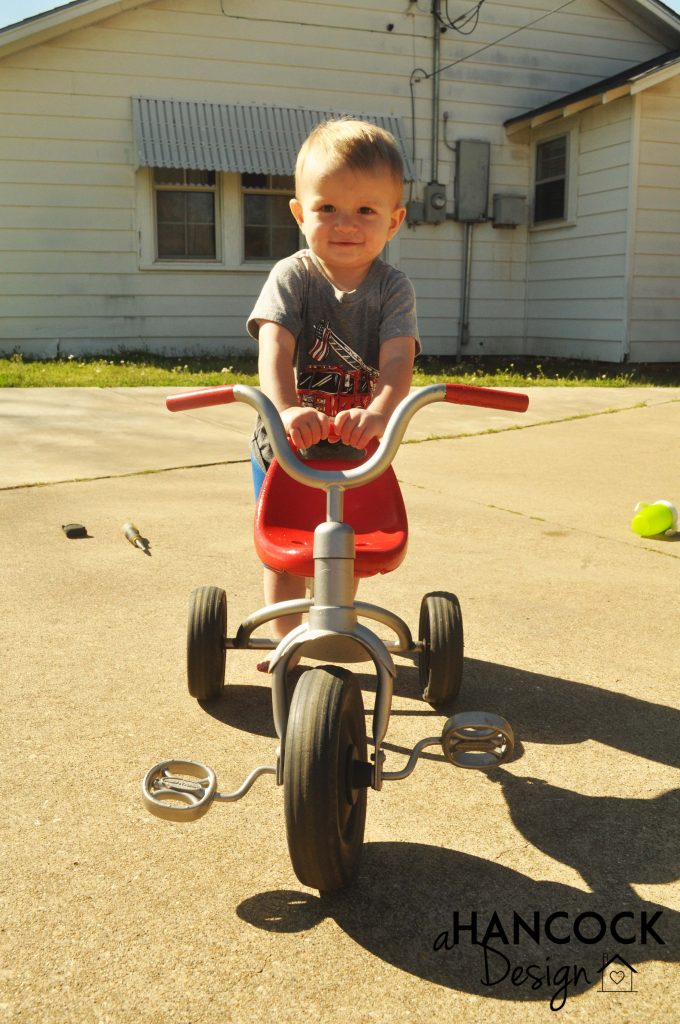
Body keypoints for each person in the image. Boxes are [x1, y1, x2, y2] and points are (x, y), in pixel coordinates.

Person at [247, 118, 420, 670]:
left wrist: (379, 411)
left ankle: (334, 626)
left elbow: (398, 359)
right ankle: (287, 642)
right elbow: (274, 347)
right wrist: (287, 405)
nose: (346, 224)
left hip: (358, 445)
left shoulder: (394, 288)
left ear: (393, 221)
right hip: (288, 443)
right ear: (300, 214)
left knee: (347, 545)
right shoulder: (292, 276)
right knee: (287, 550)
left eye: (366, 211)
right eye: (327, 209)